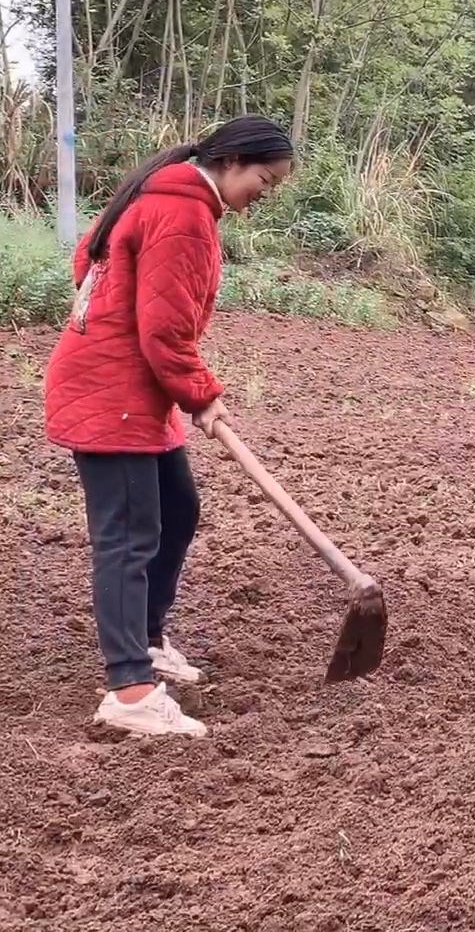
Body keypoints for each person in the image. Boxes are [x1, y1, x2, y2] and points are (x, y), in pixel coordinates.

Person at [44, 116, 295, 737]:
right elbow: (164, 330)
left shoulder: (160, 191)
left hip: (131, 389)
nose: (266, 193)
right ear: (233, 160)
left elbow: (88, 258)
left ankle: (148, 641)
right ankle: (130, 691)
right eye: (265, 179)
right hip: (113, 392)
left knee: (177, 511)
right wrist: (200, 395)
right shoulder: (181, 214)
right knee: (127, 536)